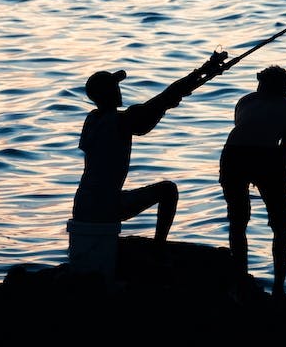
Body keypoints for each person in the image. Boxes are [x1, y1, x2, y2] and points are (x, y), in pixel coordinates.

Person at [72, 66, 203, 248]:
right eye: (115, 87)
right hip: (104, 205)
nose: (119, 90)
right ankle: (159, 248)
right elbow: (160, 102)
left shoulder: (92, 119)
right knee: (168, 191)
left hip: (82, 204)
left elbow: (152, 111)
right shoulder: (121, 121)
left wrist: (166, 103)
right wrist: (196, 75)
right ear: (109, 93)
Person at [219, 64, 286, 299]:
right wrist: (280, 181)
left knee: (238, 221)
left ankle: (240, 283)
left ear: (263, 85)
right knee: (281, 225)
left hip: (233, 154)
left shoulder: (245, 100)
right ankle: (278, 288)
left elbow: (243, 128)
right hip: (266, 156)